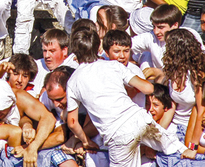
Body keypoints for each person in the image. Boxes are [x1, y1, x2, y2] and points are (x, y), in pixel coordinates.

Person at [65, 30, 196, 166]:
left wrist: (86, 141)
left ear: (74, 50)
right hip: (140, 119)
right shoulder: (113, 65)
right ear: (99, 46)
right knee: (179, 151)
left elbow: (72, 122)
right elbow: (149, 88)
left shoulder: (73, 81)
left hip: (118, 135)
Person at [161, 29, 205, 143]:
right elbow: (172, 107)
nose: (165, 50)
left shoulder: (196, 74)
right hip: (174, 126)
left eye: (168, 46)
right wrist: (159, 131)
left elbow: (202, 110)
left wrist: (193, 144)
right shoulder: (173, 70)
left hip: (192, 129)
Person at [130, 4, 204, 82]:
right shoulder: (151, 37)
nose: (156, 31)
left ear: (175, 25)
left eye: (161, 27)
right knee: (146, 55)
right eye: (154, 27)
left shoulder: (189, 35)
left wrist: (160, 74)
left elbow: (199, 65)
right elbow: (127, 44)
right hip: (162, 87)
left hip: (186, 84)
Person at [103, 30, 147, 108]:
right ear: (107, 52)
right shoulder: (102, 67)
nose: (122, 56)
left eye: (126, 51)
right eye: (117, 51)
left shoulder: (134, 71)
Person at [33, 29, 79, 97]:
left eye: (52, 51)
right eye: (45, 51)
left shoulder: (74, 69)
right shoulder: (36, 65)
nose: (47, 56)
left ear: (64, 51)